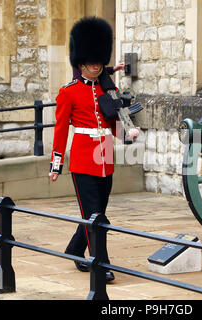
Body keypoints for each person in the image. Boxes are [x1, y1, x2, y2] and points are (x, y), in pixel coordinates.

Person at [48, 17, 139, 283]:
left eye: (99, 63)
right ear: (81, 63)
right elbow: (61, 129)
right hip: (82, 159)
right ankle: (101, 263)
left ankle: (76, 248)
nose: (96, 67)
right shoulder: (69, 92)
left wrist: (127, 134)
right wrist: (56, 163)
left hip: (105, 157)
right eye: (91, 63)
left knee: (96, 211)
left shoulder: (108, 88)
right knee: (95, 215)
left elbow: (114, 121)